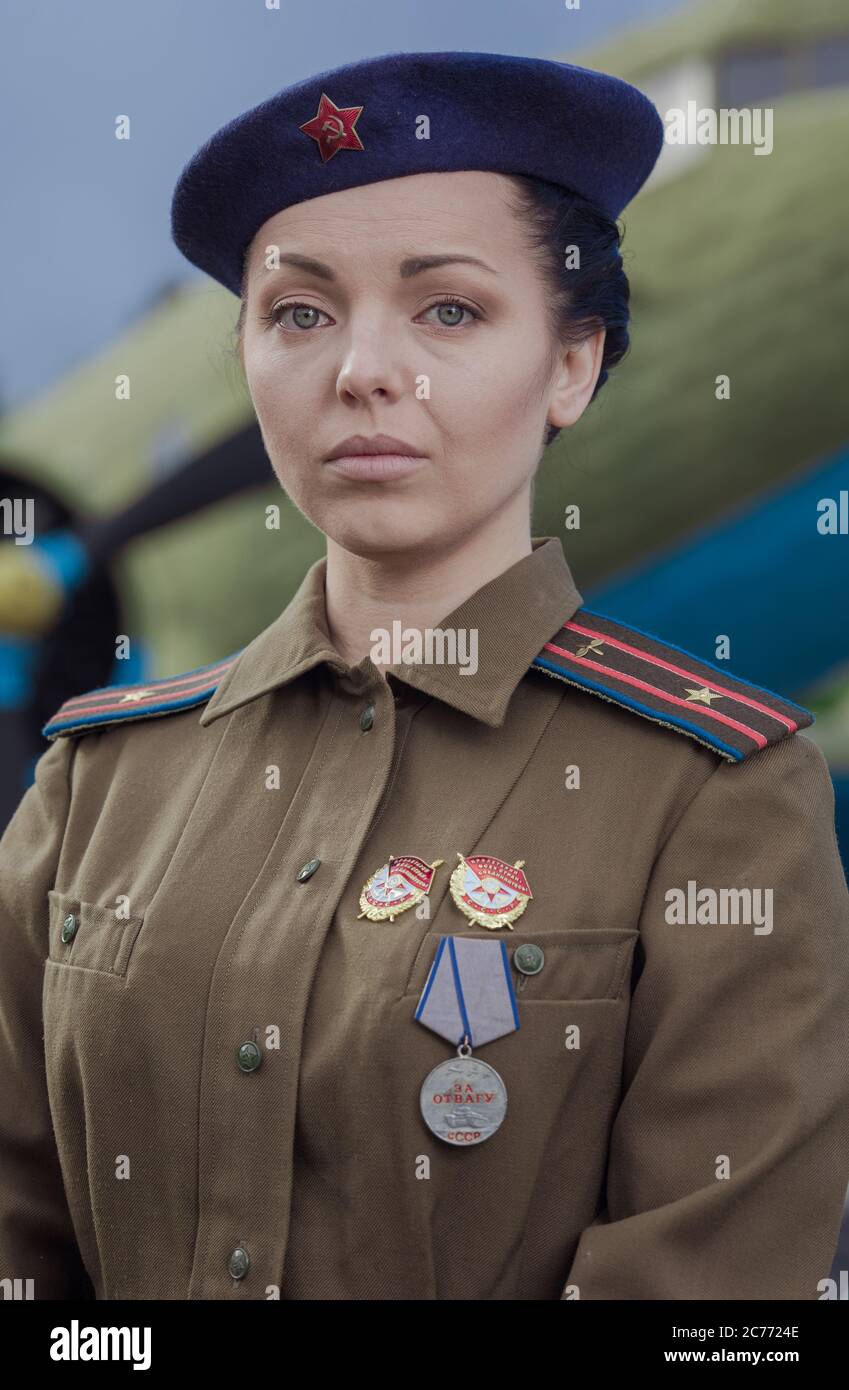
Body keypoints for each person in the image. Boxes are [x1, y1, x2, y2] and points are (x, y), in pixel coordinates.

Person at [1, 49, 848, 1302]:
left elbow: (711, 1309)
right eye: (300, 312)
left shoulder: (720, 791)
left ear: (572, 365)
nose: (363, 370)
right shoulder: (92, 782)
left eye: (449, 309)